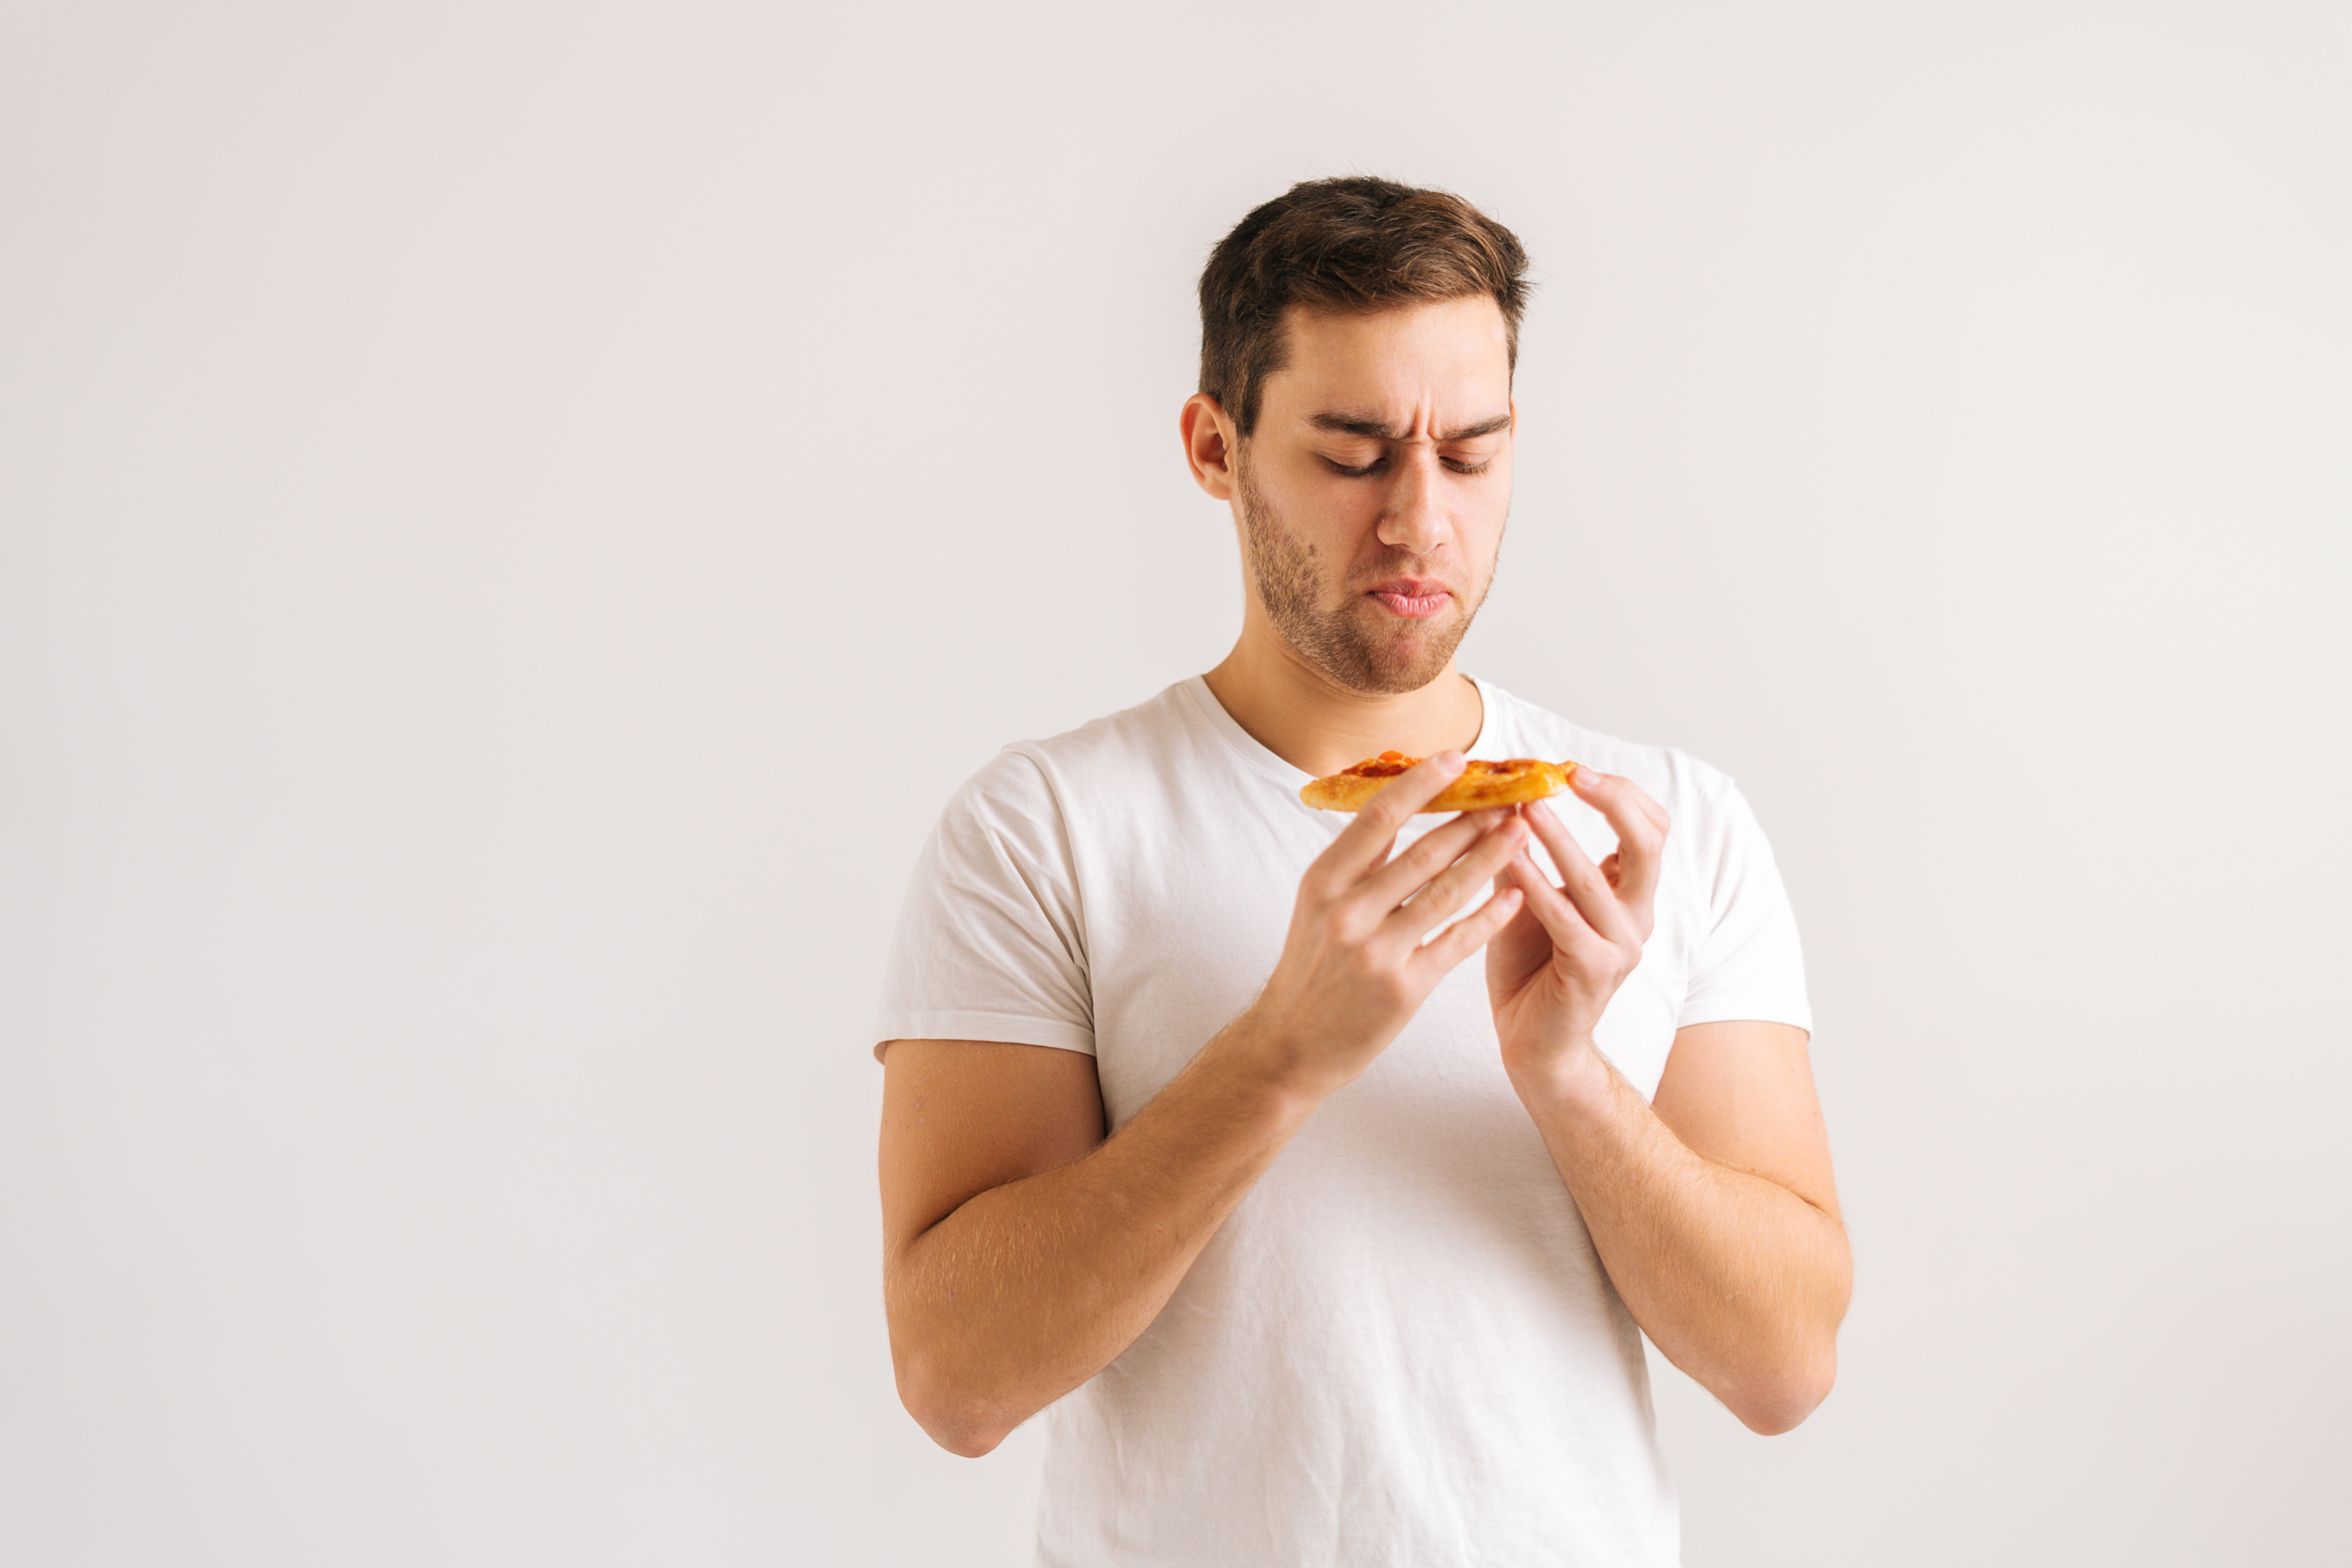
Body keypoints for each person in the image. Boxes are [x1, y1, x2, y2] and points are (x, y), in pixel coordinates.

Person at [872, 176, 1850, 1567]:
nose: (1419, 521)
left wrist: (1572, 1080)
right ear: (1217, 447)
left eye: (1471, 452)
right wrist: (1280, 1052)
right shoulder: (1044, 827)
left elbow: (1786, 1367)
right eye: (1352, 454)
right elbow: (957, 1380)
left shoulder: (1662, 826)